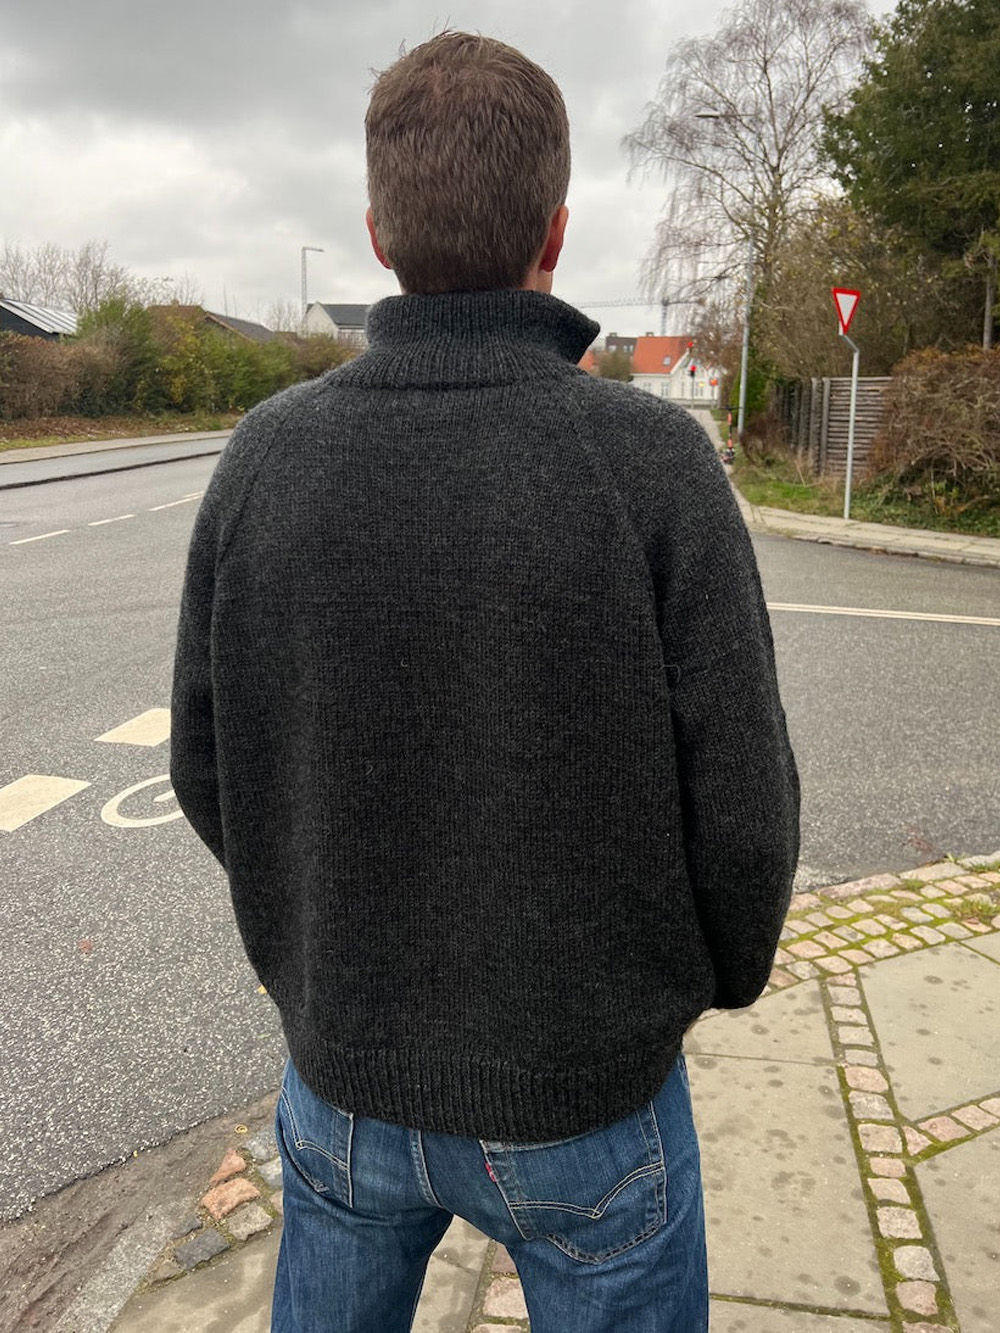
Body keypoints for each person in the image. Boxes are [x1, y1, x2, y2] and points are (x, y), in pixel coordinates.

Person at [170, 30, 799, 1333]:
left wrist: (315, 953)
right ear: (557, 231)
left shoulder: (264, 458)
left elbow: (204, 760)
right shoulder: (651, 464)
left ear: (376, 232)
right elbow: (743, 806)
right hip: (587, 1093)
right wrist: (697, 987)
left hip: (342, 1087)